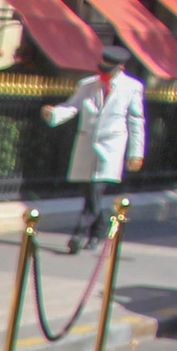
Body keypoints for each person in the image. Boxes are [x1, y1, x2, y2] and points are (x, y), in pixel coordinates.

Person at [40, 43, 145, 255]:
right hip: (87, 144)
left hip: (112, 146)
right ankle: (98, 231)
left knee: (96, 190)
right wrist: (53, 114)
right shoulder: (87, 84)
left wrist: (136, 153)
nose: (103, 74)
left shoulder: (132, 87)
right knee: (90, 193)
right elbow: (72, 106)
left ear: (120, 68)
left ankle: (78, 235)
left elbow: (136, 120)